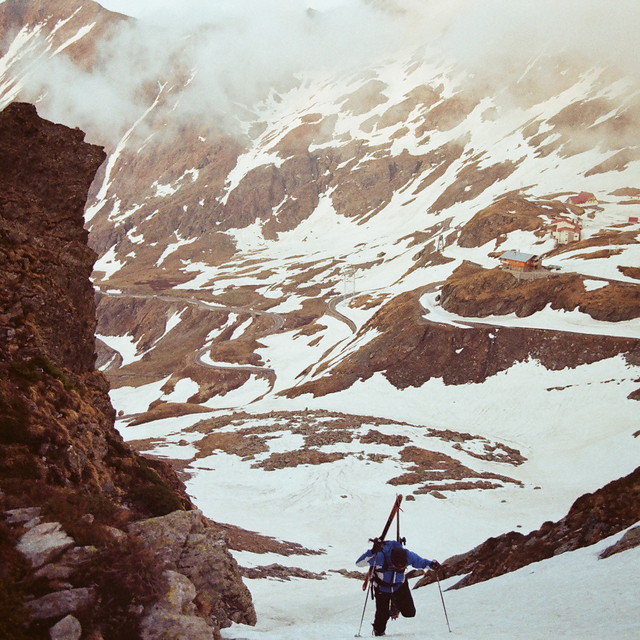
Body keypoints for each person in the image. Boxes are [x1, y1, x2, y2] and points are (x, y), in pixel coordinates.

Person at [356, 538, 440, 637]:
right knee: (382, 617)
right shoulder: (380, 557)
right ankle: (378, 633)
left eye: (402, 567)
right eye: (397, 567)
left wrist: (431, 564)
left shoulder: (408, 555)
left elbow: (420, 562)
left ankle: (395, 604)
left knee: (410, 612)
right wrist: (372, 552)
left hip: (399, 586)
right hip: (382, 587)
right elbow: (359, 563)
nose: (399, 568)